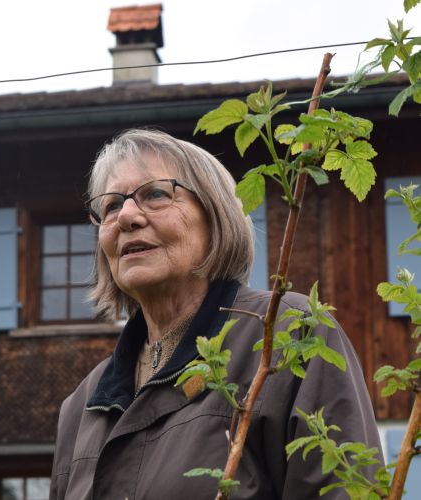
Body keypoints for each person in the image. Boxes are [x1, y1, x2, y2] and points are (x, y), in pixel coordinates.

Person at [49, 129, 382, 500]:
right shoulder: (82, 405)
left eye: (155, 194)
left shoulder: (290, 334)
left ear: (215, 217)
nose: (126, 216)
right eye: (111, 205)